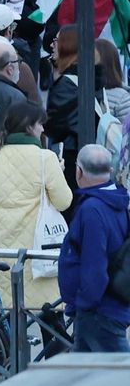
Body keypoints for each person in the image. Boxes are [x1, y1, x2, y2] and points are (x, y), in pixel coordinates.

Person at [0, 101, 73, 311]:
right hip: (38, 250)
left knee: (3, 307)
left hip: (0, 247)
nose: (43, 129)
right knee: (46, 309)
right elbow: (63, 202)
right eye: (40, 124)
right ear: (29, 126)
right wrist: (58, 173)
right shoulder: (47, 158)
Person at [59, 143, 130, 352]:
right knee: (83, 370)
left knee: (119, 370)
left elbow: (94, 265)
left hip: (99, 311)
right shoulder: (116, 202)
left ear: (78, 171)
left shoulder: (92, 208)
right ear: (110, 171)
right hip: (104, 306)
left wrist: (84, 304)